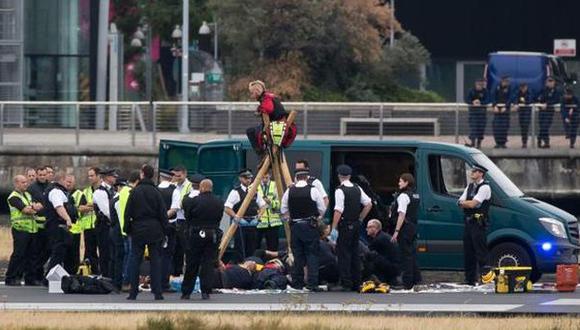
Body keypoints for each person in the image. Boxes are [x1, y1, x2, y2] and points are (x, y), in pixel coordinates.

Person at [124, 164, 168, 301]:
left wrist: (127, 229)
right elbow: (162, 213)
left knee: (135, 260)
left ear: (142, 174)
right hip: (154, 229)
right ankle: (157, 292)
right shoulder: (156, 192)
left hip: (138, 228)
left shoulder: (135, 192)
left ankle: (133, 292)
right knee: (155, 261)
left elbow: (127, 212)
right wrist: (164, 229)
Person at [281, 167, 326, 291]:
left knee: (298, 255)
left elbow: (283, 209)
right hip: (310, 226)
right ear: (306, 177)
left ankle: (297, 283)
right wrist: (317, 217)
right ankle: (312, 284)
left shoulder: (289, 191)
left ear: (296, 178)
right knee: (312, 255)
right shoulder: (313, 190)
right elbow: (322, 208)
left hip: (295, 226)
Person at [181, 179, 224, 300]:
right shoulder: (219, 202)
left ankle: (186, 292)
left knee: (192, 263)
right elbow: (219, 217)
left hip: (196, 234)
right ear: (211, 187)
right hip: (213, 235)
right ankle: (206, 291)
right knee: (208, 263)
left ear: (201, 187)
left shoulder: (194, 201)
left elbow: (188, 216)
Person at [331, 164, 372, 292]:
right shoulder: (357, 188)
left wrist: (333, 228)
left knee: (344, 255)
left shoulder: (340, 190)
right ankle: (356, 282)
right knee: (354, 254)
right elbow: (368, 204)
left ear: (339, 176)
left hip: (345, 225)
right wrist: (360, 218)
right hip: (355, 225)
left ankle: (346, 283)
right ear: (349, 176)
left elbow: (338, 210)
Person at [458, 164, 495, 286]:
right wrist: (466, 203)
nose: (472, 173)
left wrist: (467, 203)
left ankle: (486, 279)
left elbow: (474, 204)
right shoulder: (469, 187)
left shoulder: (485, 188)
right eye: (472, 171)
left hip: (478, 223)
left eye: (474, 171)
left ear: (481, 173)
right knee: (468, 251)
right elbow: (459, 201)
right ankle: (469, 279)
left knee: (481, 252)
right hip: (468, 222)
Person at [5, 175, 41, 286]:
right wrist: (33, 208)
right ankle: (11, 277)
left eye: (26, 182)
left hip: (31, 229)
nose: (26, 184)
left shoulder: (27, 195)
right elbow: (26, 210)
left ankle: (30, 278)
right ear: (16, 183)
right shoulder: (13, 197)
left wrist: (34, 208)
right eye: (23, 182)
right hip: (20, 229)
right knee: (19, 254)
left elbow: (39, 206)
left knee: (32, 255)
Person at [224, 168, 266, 260]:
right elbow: (227, 208)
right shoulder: (235, 192)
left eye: (250, 178)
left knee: (252, 249)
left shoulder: (254, 192)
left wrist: (258, 217)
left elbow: (263, 205)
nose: (248, 180)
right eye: (246, 178)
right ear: (240, 178)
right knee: (241, 250)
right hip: (240, 225)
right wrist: (236, 217)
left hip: (252, 224)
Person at [246, 80, 297, 154]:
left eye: (252, 93)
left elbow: (268, 109)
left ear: (256, 91)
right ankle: (261, 151)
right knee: (255, 130)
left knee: (250, 131)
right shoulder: (269, 96)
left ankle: (261, 152)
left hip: (276, 127)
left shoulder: (266, 98)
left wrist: (260, 109)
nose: (251, 95)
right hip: (279, 125)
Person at [389, 173, 421, 290]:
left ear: (406, 182)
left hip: (405, 227)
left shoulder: (403, 196)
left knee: (405, 255)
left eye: (400, 181)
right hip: (412, 226)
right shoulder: (415, 195)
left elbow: (401, 214)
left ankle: (407, 282)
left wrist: (396, 231)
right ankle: (416, 278)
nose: (399, 183)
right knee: (411, 253)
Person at [44, 172, 77, 274]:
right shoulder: (56, 192)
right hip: (58, 226)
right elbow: (59, 207)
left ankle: (61, 276)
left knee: (63, 253)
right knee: (58, 253)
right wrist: (67, 218)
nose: (68, 184)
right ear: (61, 179)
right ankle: (50, 277)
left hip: (60, 227)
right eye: (67, 181)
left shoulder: (60, 191)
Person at [167, 165, 192, 277]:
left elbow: (188, 202)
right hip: (175, 219)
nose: (177, 177)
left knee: (183, 247)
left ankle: (181, 271)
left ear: (185, 174)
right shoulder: (173, 186)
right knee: (175, 247)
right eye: (175, 175)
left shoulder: (189, 186)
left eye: (179, 175)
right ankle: (175, 271)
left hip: (184, 220)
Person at [93, 168, 117, 277]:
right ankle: (106, 275)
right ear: (107, 177)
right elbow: (107, 211)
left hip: (111, 226)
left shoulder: (113, 190)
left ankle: (111, 274)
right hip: (104, 225)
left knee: (112, 252)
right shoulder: (100, 192)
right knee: (105, 251)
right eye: (113, 176)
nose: (115, 178)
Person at [117, 172, 140, 291]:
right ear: (136, 181)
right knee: (132, 257)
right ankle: (127, 281)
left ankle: (124, 280)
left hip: (123, 228)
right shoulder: (131, 192)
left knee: (127, 256)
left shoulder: (123, 191)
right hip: (131, 229)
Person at [27, 166, 49, 282]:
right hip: (36, 226)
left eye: (44, 175)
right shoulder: (31, 188)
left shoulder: (50, 187)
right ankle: (32, 276)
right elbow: (28, 203)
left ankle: (40, 274)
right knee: (35, 252)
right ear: (37, 175)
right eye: (40, 175)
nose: (42, 177)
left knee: (47, 251)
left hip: (48, 225)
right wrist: (33, 206)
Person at [76, 167, 100, 274]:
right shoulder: (85, 192)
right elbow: (80, 208)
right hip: (88, 226)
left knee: (104, 251)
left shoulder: (103, 190)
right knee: (90, 252)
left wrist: (91, 205)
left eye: (92, 175)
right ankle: (94, 272)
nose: (90, 178)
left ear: (98, 176)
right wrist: (90, 206)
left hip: (100, 225)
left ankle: (104, 272)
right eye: (89, 176)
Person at [364, 219, 400, 285]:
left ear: (375, 228)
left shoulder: (379, 239)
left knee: (370, 255)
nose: (367, 229)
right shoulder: (383, 236)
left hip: (390, 268)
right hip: (394, 266)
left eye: (369, 227)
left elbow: (368, 253)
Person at [157, 169, 177, 291]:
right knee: (167, 255)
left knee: (156, 254)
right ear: (171, 178)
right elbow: (174, 209)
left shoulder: (154, 189)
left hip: (155, 226)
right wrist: (164, 217)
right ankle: (164, 282)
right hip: (169, 225)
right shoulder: (174, 190)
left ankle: (155, 281)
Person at [257, 172, 282, 251]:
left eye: (266, 177)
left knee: (273, 247)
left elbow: (280, 203)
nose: (264, 179)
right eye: (263, 177)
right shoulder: (254, 186)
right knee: (255, 246)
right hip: (259, 222)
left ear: (270, 175)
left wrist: (271, 203)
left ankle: (272, 262)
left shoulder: (275, 185)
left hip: (273, 223)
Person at [536, 77, 561, 148]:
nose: (550, 83)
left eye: (551, 81)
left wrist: (547, 104)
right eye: (548, 81)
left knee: (545, 126)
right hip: (542, 111)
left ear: (554, 82)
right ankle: (546, 142)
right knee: (542, 126)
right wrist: (540, 104)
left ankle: (541, 139)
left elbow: (556, 100)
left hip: (549, 111)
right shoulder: (543, 90)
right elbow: (537, 98)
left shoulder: (556, 91)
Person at [466, 79, 489, 148]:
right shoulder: (471, 91)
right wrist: (473, 102)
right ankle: (473, 143)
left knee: (481, 128)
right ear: (475, 84)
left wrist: (480, 103)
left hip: (482, 114)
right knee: (473, 128)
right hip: (473, 113)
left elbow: (488, 100)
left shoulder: (485, 91)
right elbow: (467, 99)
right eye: (478, 84)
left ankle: (479, 143)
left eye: (481, 84)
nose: (479, 85)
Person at [492, 76, 512, 148]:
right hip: (497, 111)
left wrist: (506, 106)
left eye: (507, 81)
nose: (505, 82)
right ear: (501, 81)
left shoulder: (509, 88)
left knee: (504, 127)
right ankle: (497, 143)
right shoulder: (497, 87)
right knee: (496, 127)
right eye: (504, 81)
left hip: (505, 111)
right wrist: (494, 105)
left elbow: (510, 98)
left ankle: (503, 143)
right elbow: (493, 97)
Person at [512, 83, 533, 148]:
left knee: (525, 127)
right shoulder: (518, 92)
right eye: (522, 87)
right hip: (521, 113)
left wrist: (524, 102)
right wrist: (516, 104)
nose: (523, 89)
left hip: (527, 112)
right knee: (522, 127)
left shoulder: (529, 92)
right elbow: (515, 98)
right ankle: (524, 142)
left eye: (524, 87)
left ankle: (525, 142)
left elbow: (530, 100)